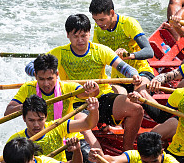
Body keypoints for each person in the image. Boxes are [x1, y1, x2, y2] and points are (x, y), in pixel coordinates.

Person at [26, 13, 144, 150]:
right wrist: (36, 72)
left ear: (89, 33)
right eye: (75, 36)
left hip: (101, 97)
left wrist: (134, 74)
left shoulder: (100, 50)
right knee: (84, 125)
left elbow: (123, 67)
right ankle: (98, 156)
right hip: (76, 103)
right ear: (67, 35)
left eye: (84, 36)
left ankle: (127, 151)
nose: (80, 40)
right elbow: (31, 66)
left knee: (137, 109)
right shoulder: (59, 53)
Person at [4, 53, 99, 120]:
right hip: (39, 133)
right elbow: (8, 112)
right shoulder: (28, 87)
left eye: (50, 79)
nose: (46, 84)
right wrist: (26, 106)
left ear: (57, 74)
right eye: (41, 79)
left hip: (67, 133)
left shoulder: (67, 87)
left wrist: (93, 87)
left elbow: (91, 94)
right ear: (35, 75)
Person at [89, 0, 155, 89]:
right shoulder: (98, 29)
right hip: (118, 79)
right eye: (95, 20)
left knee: (141, 94)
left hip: (141, 72)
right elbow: (96, 57)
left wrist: (128, 55)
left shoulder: (128, 23)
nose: (99, 24)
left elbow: (149, 51)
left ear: (111, 13)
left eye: (102, 20)